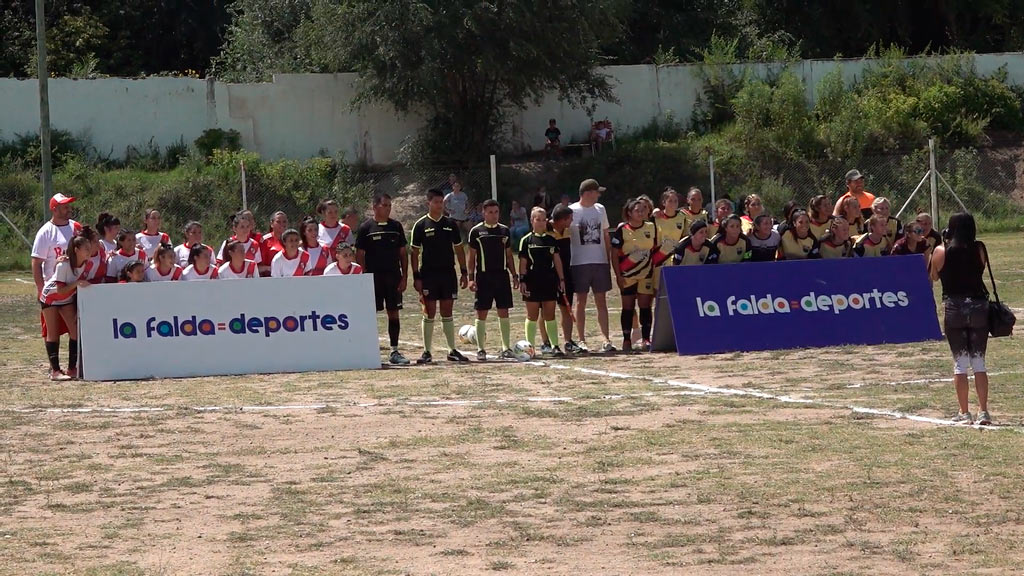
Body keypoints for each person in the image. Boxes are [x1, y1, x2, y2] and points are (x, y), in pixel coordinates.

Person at [929, 212, 992, 425]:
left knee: (960, 362)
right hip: (978, 307)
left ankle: (964, 411)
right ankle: (983, 410)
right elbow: (980, 269)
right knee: (979, 361)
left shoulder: (941, 250)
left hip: (954, 307)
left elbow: (934, 276)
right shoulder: (979, 249)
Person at [410, 188, 470, 364]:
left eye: (441, 202)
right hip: (428, 275)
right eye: (436, 202)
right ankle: (427, 352)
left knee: (447, 311)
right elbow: (414, 253)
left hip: (448, 274)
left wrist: (464, 271)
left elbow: (459, 249)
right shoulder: (420, 225)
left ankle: (452, 350)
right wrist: (416, 276)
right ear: (428, 203)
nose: (439, 205)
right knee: (429, 312)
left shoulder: (450, 224)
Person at [355, 193, 411, 365]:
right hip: (373, 278)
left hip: (393, 278)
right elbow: (360, 254)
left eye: (389, 205)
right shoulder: (365, 228)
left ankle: (394, 351)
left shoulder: (396, 226)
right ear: (374, 207)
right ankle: (369, 350)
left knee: (393, 313)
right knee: (371, 314)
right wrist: (364, 277)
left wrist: (404, 277)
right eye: (384, 205)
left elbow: (403, 253)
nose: (387, 208)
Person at [466, 199, 518, 361]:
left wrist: (515, 275)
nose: (493, 215)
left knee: (504, 310)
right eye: (490, 212)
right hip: (483, 276)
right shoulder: (476, 232)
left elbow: (509, 255)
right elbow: (471, 257)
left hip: (501, 276)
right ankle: (481, 349)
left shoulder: (504, 231)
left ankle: (505, 347)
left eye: (496, 212)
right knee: (482, 312)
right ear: (483, 213)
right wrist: (471, 278)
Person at [569, 179, 616, 353]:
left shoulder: (600, 209)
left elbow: (605, 235)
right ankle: (581, 340)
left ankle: (606, 339)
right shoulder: (572, 211)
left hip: (599, 261)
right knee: (580, 301)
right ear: (588, 193)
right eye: (596, 192)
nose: (598, 195)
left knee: (601, 300)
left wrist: (608, 259)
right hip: (579, 262)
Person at [38, 234, 91, 380]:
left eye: (89, 247)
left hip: (66, 298)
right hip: (51, 297)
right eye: (85, 248)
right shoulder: (64, 265)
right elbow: (60, 289)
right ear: (76, 250)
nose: (89, 250)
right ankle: (55, 371)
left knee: (75, 331)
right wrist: (77, 283)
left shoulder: (86, 264)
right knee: (53, 332)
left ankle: (71, 368)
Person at [611, 198, 661, 352]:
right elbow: (614, 254)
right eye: (637, 211)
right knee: (628, 307)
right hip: (627, 275)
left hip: (646, 274)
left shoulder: (651, 227)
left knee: (645, 307)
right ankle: (627, 340)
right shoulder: (622, 229)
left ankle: (646, 339)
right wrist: (618, 276)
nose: (641, 213)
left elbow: (655, 250)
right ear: (629, 213)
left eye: (643, 210)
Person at [519, 207, 566, 356]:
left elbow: (557, 260)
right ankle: (529, 348)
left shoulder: (551, 240)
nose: (540, 222)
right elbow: (523, 263)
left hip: (549, 281)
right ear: (532, 221)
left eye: (543, 219)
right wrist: (522, 280)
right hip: (532, 281)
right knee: (532, 315)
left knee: (550, 314)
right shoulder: (526, 240)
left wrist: (561, 279)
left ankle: (555, 346)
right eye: (537, 219)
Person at [540, 205, 579, 353]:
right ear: (562, 219)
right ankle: (546, 342)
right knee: (545, 310)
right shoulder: (546, 230)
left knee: (566, 308)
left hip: (566, 274)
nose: (572, 221)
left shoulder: (569, 231)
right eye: (570, 218)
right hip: (548, 274)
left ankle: (568, 341)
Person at [32, 194, 82, 304]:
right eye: (65, 207)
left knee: (75, 321)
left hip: (74, 285)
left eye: (69, 206)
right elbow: (36, 263)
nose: (69, 209)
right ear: (54, 210)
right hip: (53, 288)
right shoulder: (46, 232)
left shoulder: (76, 227)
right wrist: (41, 289)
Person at [260, 211, 289, 276]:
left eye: (284, 221)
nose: (282, 224)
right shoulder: (265, 240)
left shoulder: (291, 239)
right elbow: (260, 265)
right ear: (272, 224)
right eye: (278, 222)